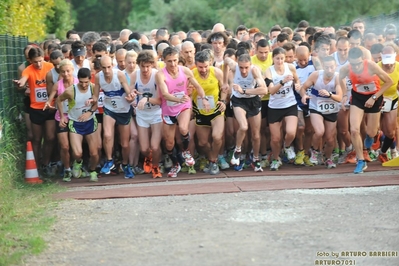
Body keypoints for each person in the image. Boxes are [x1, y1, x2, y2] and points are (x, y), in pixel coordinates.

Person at [156, 47, 210, 178]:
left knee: (183, 128)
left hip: (183, 106)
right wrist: (177, 99)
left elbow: (198, 86)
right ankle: (176, 164)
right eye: (169, 61)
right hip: (168, 109)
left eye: (175, 60)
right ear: (164, 60)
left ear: (178, 59)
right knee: (169, 143)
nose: (173, 64)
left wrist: (204, 99)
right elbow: (164, 94)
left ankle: (186, 151)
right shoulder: (160, 74)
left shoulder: (185, 71)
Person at [339, 47, 393, 174]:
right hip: (357, 97)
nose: (356, 67)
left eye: (358, 64)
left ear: (362, 60)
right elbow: (340, 78)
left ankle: (373, 135)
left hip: (375, 96)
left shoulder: (371, 66)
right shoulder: (346, 68)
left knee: (371, 131)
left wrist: (374, 98)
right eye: (353, 64)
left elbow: (389, 82)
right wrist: (345, 94)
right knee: (354, 130)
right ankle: (361, 160)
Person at [13, 47, 56, 177]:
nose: (38, 64)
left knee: (50, 137)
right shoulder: (28, 70)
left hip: (50, 107)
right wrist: (20, 83)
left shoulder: (50, 67)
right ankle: (37, 167)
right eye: (35, 61)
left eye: (40, 61)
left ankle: (46, 163)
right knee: (37, 139)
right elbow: (24, 79)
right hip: (36, 109)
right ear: (30, 61)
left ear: (44, 58)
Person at [223, 53, 267, 172]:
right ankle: (237, 151)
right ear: (237, 64)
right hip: (238, 101)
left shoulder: (254, 71)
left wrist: (244, 91)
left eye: (246, 67)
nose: (243, 71)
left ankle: (256, 159)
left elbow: (264, 89)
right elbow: (226, 61)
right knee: (243, 126)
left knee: (256, 135)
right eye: (241, 67)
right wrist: (225, 82)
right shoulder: (234, 67)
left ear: (250, 65)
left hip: (253, 100)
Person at [94, 56, 136, 178]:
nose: (106, 71)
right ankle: (109, 160)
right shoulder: (98, 77)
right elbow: (96, 96)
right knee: (107, 135)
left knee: (125, 144)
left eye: (109, 67)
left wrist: (131, 97)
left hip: (123, 110)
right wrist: (92, 100)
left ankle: (126, 164)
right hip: (110, 109)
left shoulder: (119, 75)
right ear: (100, 67)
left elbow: (128, 91)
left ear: (112, 66)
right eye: (103, 68)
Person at [57, 68, 99, 182]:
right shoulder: (71, 90)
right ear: (78, 80)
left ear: (90, 80)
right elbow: (59, 100)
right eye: (81, 82)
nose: (84, 85)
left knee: (94, 152)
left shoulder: (94, 88)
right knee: (77, 152)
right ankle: (78, 162)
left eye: (86, 82)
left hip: (90, 121)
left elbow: (96, 104)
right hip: (75, 122)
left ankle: (92, 170)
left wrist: (89, 112)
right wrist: (62, 117)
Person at [300, 56, 343, 168]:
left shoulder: (338, 77)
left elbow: (339, 97)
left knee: (330, 138)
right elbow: (303, 88)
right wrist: (304, 95)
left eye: (332, 67)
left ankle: (328, 158)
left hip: (331, 109)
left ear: (335, 67)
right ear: (323, 66)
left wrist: (329, 94)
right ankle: (314, 151)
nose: (329, 70)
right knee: (319, 132)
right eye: (327, 67)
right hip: (316, 107)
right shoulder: (316, 75)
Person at [265, 47, 300, 171]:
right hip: (274, 107)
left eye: (282, 58)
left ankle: (287, 146)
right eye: (277, 58)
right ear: (273, 58)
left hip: (290, 104)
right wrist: (282, 81)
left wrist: (298, 85)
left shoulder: (290, 67)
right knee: (275, 139)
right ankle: (276, 159)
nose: (279, 61)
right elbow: (271, 91)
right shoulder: (269, 71)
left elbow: (297, 79)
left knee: (291, 132)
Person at [192, 50, 227, 175]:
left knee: (217, 137)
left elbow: (224, 88)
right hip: (200, 111)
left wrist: (223, 101)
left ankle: (213, 161)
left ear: (210, 63)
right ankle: (211, 157)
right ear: (196, 64)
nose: (203, 69)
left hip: (216, 110)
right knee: (202, 143)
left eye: (206, 66)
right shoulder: (191, 74)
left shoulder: (216, 72)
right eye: (200, 67)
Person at [44, 59, 78, 181]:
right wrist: (48, 103)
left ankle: (76, 164)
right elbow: (51, 98)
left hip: (75, 118)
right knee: (64, 146)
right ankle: (67, 169)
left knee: (75, 147)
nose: (66, 74)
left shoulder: (78, 83)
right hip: (61, 118)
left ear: (72, 70)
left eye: (68, 71)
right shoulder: (58, 85)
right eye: (63, 72)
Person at [131, 51, 163, 178]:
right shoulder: (135, 75)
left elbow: (161, 100)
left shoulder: (157, 75)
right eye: (143, 66)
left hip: (156, 113)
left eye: (148, 66)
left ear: (152, 65)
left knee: (155, 146)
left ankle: (156, 166)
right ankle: (149, 158)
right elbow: (129, 93)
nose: (145, 69)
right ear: (138, 65)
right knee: (144, 149)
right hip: (142, 114)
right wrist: (131, 96)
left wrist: (146, 99)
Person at [376, 45, 399, 162]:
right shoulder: (376, 67)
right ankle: (369, 149)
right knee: (374, 130)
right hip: (376, 99)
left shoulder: (398, 67)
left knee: (390, 132)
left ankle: (383, 151)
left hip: (392, 99)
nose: (388, 65)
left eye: (390, 62)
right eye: (386, 62)